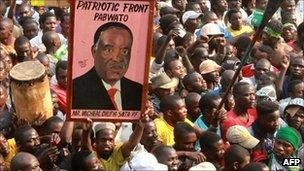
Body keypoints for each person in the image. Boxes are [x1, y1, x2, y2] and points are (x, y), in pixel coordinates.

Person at [72, 22, 143, 111]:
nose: (116, 58)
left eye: (124, 52)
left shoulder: (138, 91)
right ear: (94, 51)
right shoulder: (76, 89)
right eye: (109, 50)